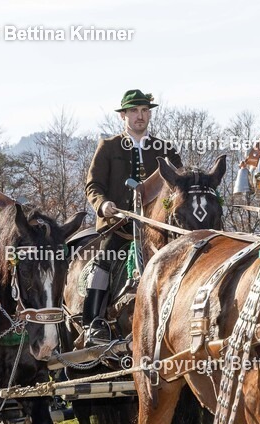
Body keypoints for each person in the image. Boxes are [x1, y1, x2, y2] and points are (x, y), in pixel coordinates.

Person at [82, 89, 181, 342]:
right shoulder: (108, 147)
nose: (140, 116)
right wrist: (103, 205)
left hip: (157, 227)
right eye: (135, 111)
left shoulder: (166, 149)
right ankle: (93, 322)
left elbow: (180, 186)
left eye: (145, 111)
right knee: (104, 260)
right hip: (119, 226)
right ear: (123, 115)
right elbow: (93, 186)